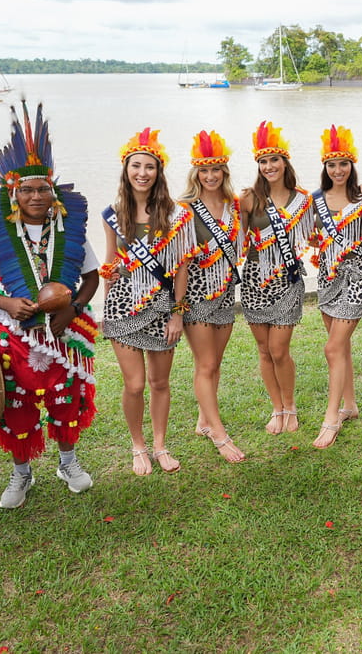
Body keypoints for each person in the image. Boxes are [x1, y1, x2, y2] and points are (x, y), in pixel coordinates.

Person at [0, 103, 101, 508]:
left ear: (53, 192)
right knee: (17, 405)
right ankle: (21, 473)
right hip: (13, 335)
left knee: (66, 398)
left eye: (43, 188)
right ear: (14, 194)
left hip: (63, 334)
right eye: (27, 190)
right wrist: (7, 301)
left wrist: (72, 309)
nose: (37, 196)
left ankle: (67, 462)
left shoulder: (68, 231)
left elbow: (92, 278)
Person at [100, 128, 195, 476]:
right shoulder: (113, 213)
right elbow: (110, 263)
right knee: (134, 384)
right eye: (136, 166)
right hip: (123, 307)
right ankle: (138, 445)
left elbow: (182, 266)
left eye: (150, 167)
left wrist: (177, 314)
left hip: (162, 308)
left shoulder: (176, 215)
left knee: (159, 383)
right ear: (126, 170)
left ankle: (159, 444)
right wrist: (106, 310)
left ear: (159, 172)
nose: (142, 172)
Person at [308, 125, 362, 449]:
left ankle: (332, 417)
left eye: (343, 164)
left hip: (356, 280)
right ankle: (349, 405)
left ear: (352, 167)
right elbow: (308, 234)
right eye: (332, 165)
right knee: (340, 347)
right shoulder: (315, 200)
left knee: (333, 348)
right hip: (327, 278)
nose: (338, 170)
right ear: (325, 168)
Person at [241, 121, 315, 434]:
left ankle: (291, 406)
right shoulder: (248, 199)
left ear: (285, 162)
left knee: (280, 350)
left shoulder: (304, 199)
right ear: (258, 166)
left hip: (287, 281)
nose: (269, 166)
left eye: (274, 159)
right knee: (264, 350)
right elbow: (234, 241)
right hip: (254, 279)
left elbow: (319, 235)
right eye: (263, 161)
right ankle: (277, 409)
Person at [178, 130, 246, 462]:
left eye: (216, 169)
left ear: (224, 172)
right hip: (196, 297)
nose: (210, 176)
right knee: (205, 363)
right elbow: (178, 260)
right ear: (196, 174)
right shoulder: (184, 209)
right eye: (204, 170)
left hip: (225, 295)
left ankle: (204, 420)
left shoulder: (236, 206)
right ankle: (219, 434)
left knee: (214, 362)